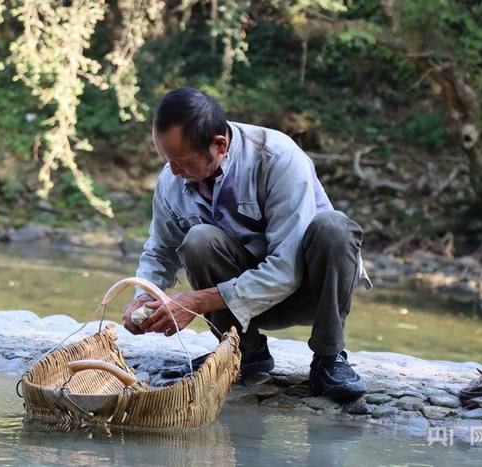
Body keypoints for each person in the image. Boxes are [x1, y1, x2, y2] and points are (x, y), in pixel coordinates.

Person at [121, 87, 372, 402]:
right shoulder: (172, 178)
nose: (172, 171)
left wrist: (194, 302)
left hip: (309, 291)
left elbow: (285, 271)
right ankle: (242, 352)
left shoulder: (277, 157)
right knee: (199, 239)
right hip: (238, 306)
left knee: (334, 228)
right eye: (167, 160)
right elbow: (159, 251)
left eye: (181, 161)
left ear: (219, 145)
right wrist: (143, 296)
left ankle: (329, 358)